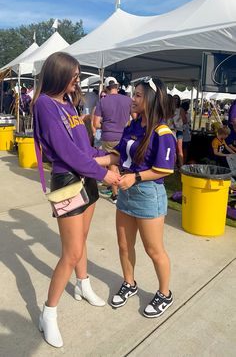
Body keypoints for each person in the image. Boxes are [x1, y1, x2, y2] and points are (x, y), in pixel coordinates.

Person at [32, 52, 120, 348]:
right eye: (74, 74)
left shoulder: (69, 104)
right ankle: (49, 312)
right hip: (68, 182)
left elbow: (83, 147)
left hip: (87, 178)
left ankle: (83, 286)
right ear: (60, 74)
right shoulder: (44, 104)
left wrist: (107, 158)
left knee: (82, 240)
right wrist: (103, 171)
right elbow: (67, 154)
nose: (78, 79)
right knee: (70, 252)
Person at [95, 77, 176, 318]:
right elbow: (118, 156)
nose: (133, 99)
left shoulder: (163, 132)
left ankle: (165, 293)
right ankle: (129, 283)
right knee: (123, 244)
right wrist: (91, 161)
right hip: (127, 191)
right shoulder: (132, 126)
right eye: (134, 94)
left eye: (138, 95)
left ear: (150, 99)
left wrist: (136, 178)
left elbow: (165, 169)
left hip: (148, 194)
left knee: (154, 250)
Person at [93, 77, 132, 204]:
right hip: (125, 135)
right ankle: (125, 191)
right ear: (117, 86)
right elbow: (136, 117)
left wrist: (108, 125)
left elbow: (95, 123)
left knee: (112, 165)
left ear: (106, 88)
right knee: (126, 164)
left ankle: (115, 195)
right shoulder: (128, 100)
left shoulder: (103, 101)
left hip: (109, 136)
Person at [173, 95, 185, 168]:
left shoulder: (181, 109)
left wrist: (178, 121)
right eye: (173, 98)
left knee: (179, 149)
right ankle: (173, 165)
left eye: (176, 98)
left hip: (179, 130)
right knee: (172, 148)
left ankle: (181, 166)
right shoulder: (169, 109)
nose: (175, 100)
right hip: (171, 130)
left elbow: (185, 120)